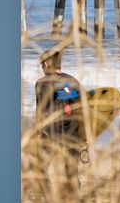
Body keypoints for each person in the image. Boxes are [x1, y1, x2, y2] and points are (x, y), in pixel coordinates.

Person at [35, 49, 88, 178]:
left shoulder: (42, 83)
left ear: (46, 64)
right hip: (73, 133)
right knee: (72, 172)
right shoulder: (74, 81)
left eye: (42, 65)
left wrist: (38, 133)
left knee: (42, 170)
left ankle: (47, 191)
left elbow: (42, 111)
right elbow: (85, 107)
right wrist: (85, 134)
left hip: (50, 133)